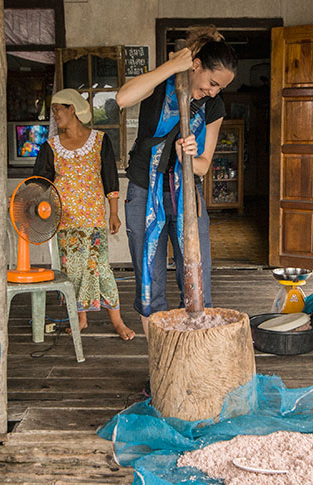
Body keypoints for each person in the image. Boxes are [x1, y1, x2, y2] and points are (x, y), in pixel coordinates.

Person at [115, 26, 236, 340]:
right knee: (149, 288)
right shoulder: (160, 85)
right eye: (211, 83)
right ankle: (160, 368)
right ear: (195, 66)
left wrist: (188, 158)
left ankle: (195, 365)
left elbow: (204, 166)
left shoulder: (213, 106)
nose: (213, 92)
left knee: (197, 285)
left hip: (186, 197)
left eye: (219, 88)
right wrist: (173, 65)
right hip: (144, 192)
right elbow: (122, 97)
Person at [33, 89, 135, 341]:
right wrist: (38, 206)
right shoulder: (50, 147)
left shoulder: (100, 141)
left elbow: (109, 178)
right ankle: (80, 319)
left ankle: (117, 321)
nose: (54, 114)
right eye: (53, 109)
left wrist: (114, 213)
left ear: (73, 109)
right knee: (72, 272)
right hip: (65, 222)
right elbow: (40, 182)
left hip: (94, 220)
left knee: (101, 269)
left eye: (58, 109)